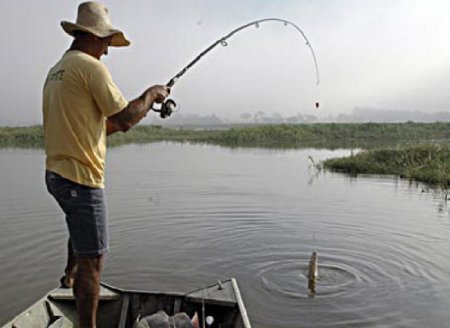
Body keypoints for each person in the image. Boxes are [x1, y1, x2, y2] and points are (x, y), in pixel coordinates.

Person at [43, 2, 170, 327]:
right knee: (94, 260)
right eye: (105, 42)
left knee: (79, 229)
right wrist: (152, 94)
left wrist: (137, 109)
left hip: (57, 175)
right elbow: (126, 118)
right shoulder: (90, 68)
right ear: (90, 36)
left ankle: (69, 277)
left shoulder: (58, 70)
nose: (107, 51)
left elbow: (102, 126)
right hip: (81, 178)